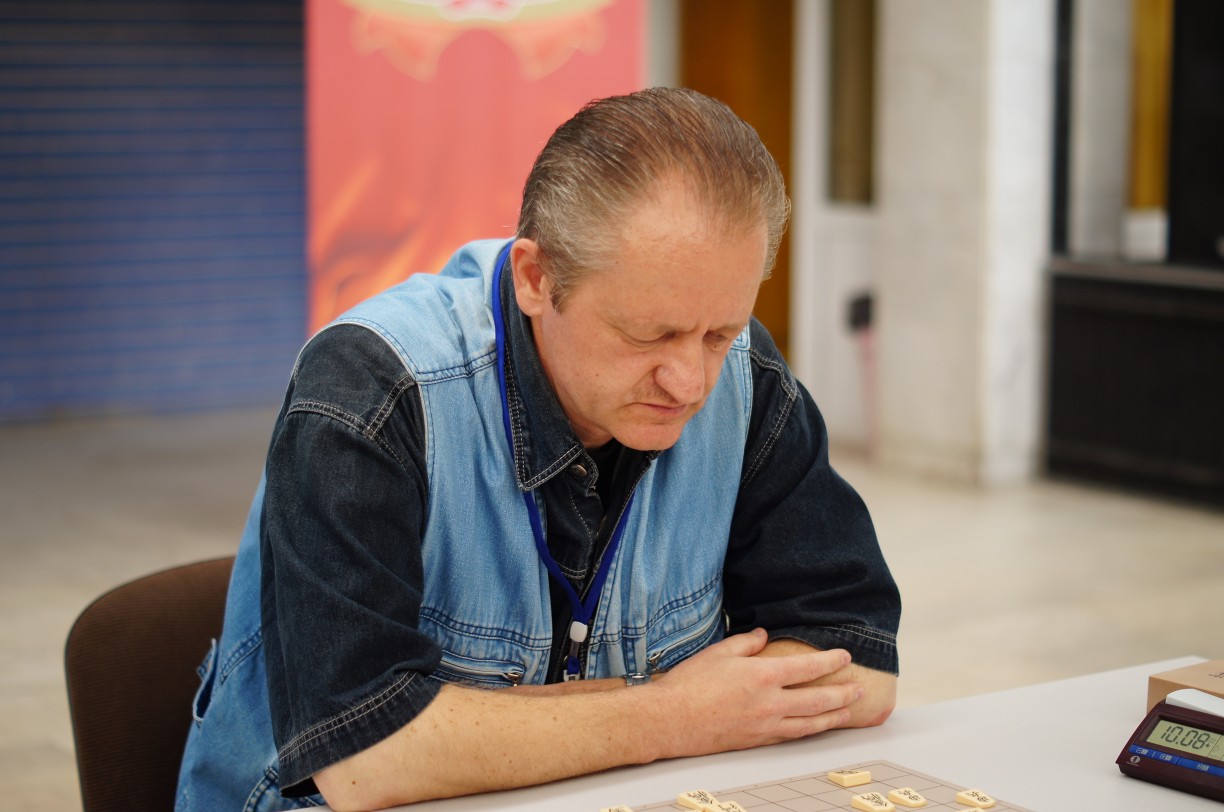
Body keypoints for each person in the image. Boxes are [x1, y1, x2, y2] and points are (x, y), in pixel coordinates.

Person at [176, 87, 901, 812]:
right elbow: (364, 757)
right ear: (535, 277)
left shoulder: (747, 377)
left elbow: (859, 663)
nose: (690, 382)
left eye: (719, 333)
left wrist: (563, 730)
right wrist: (673, 714)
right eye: (650, 334)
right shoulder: (371, 392)